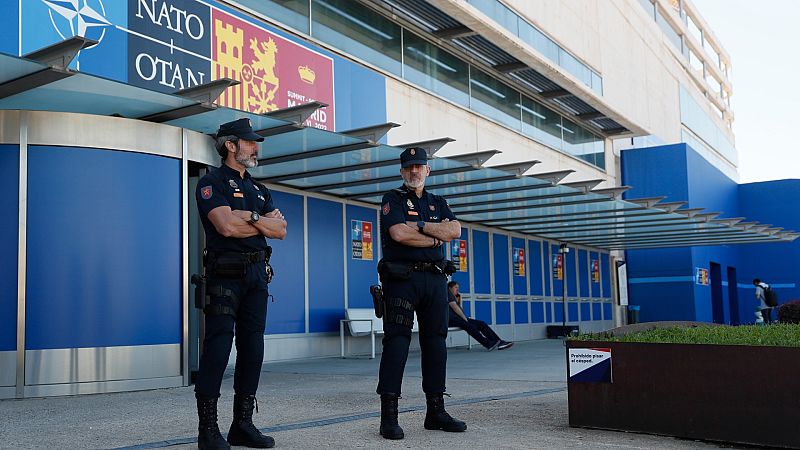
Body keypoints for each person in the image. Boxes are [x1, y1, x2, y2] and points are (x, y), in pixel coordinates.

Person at [194, 118, 287, 450]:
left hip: (257, 275)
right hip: (225, 275)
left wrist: (248, 217)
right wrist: (260, 222)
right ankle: (208, 429)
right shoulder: (211, 182)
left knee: (254, 348)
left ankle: (242, 425)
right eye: (249, 142)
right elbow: (226, 227)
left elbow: (281, 230)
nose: (255, 147)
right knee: (218, 346)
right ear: (230, 145)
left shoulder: (260, 189)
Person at [376, 147, 466, 440]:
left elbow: (454, 231)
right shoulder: (392, 199)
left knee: (436, 343)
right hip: (402, 279)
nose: (414, 171)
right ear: (402, 172)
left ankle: (435, 412)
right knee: (397, 343)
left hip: (435, 280)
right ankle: (388, 416)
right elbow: (398, 234)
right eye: (408, 167)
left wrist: (423, 226)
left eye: (419, 166)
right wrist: (434, 237)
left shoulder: (438, 202)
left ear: (428, 170)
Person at [447, 281, 513, 351]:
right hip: (450, 320)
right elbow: (455, 307)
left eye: (458, 288)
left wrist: (459, 300)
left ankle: (499, 342)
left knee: (481, 324)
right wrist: (464, 319)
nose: (457, 290)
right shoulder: (448, 294)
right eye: (455, 287)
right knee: (469, 326)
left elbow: (458, 308)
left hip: (458, 318)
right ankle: (488, 344)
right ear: (450, 288)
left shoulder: (453, 296)